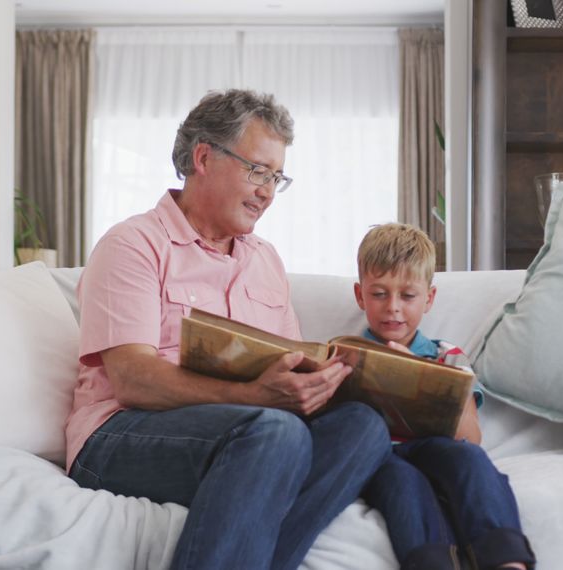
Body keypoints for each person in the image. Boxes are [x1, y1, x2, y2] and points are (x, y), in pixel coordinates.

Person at [65, 89, 391, 570]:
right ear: (203, 158)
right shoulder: (133, 244)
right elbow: (133, 381)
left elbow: (289, 361)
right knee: (276, 433)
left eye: (276, 178)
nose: (266, 191)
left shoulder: (265, 261)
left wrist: (316, 384)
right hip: (119, 436)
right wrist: (261, 398)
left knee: (363, 428)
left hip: (248, 433)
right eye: (257, 170)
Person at [354, 223, 536, 570]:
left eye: (407, 296)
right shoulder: (348, 355)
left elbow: (471, 438)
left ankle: (506, 560)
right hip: (381, 456)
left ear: (429, 299)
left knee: (468, 461)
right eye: (379, 294)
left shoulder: (448, 356)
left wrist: (420, 378)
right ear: (360, 295)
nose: (393, 307)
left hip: (438, 447)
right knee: (401, 483)